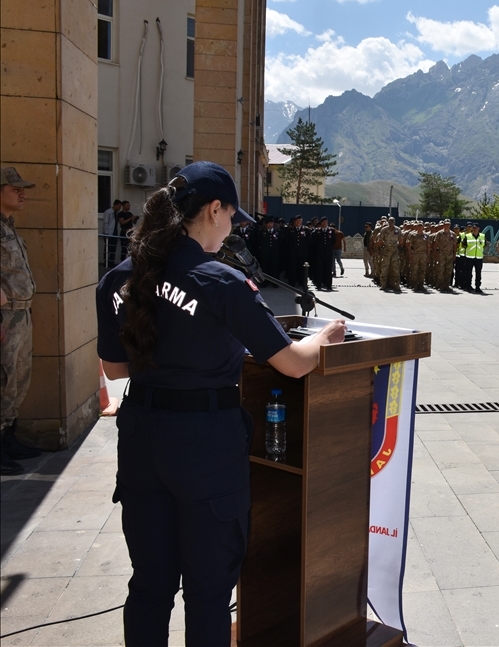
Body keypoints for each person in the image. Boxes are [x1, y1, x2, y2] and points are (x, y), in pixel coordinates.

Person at [96, 162, 347, 647]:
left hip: (142, 439)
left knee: (149, 584)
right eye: (232, 217)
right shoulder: (220, 281)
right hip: (204, 445)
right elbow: (293, 364)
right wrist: (325, 338)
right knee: (208, 590)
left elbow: (115, 368)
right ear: (214, 210)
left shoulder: (119, 278)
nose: (232, 229)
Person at [1, 167, 43, 475]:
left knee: (17, 379)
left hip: (20, 314)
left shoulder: (9, 226)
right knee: (3, 379)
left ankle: (9, 438)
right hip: (4, 317)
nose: (22, 193)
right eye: (15, 188)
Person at [102, 200, 122, 268]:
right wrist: (106, 234)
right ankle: (106, 263)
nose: (119, 208)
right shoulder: (108, 212)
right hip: (109, 233)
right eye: (119, 206)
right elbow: (105, 223)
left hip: (114, 233)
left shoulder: (116, 213)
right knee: (107, 248)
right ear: (115, 205)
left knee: (113, 249)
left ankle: (111, 262)